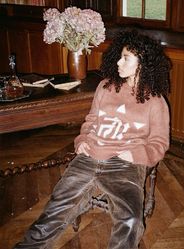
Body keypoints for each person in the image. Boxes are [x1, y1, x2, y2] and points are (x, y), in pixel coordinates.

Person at [14, 30, 171, 249]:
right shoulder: (105, 87)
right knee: (55, 209)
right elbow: (91, 121)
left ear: (142, 64)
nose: (118, 61)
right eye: (119, 55)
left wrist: (133, 155)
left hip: (125, 163)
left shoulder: (156, 101)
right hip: (90, 155)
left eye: (126, 58)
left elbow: (159, 143)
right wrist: (83, 141)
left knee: (131, 220)